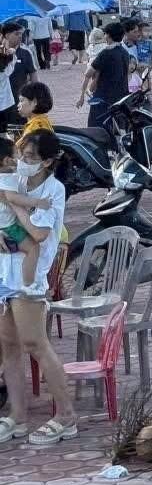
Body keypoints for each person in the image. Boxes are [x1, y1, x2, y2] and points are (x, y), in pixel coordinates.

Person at [0, 130, 77, 445]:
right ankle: (17, 416)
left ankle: (66, 415)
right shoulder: (14, 181)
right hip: (4, 275)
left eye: (30, 157)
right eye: (21, 154)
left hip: (29, 280)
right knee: (9, 346)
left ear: (46, 162)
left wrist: (15, 210)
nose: (23, 161)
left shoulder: (53, 190)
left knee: (35, 343)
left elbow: (38, 234)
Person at [0, 135, 45, 287]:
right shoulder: (8, 179)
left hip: (6, 224)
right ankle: (29, 283)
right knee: (33, 248)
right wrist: (35, 203)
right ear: (8, 161)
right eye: (18, 155)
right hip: (9, 227)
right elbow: (13, 198)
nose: (20, 159)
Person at [76, 20, 130, 128]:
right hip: (121, 96)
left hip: (103, 97)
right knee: (116, 127)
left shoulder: (105, 53)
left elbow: (88, 74)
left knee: (97, 128)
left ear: (108, 35)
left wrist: (81, 96)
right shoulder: (125, 52)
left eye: (105, 34)